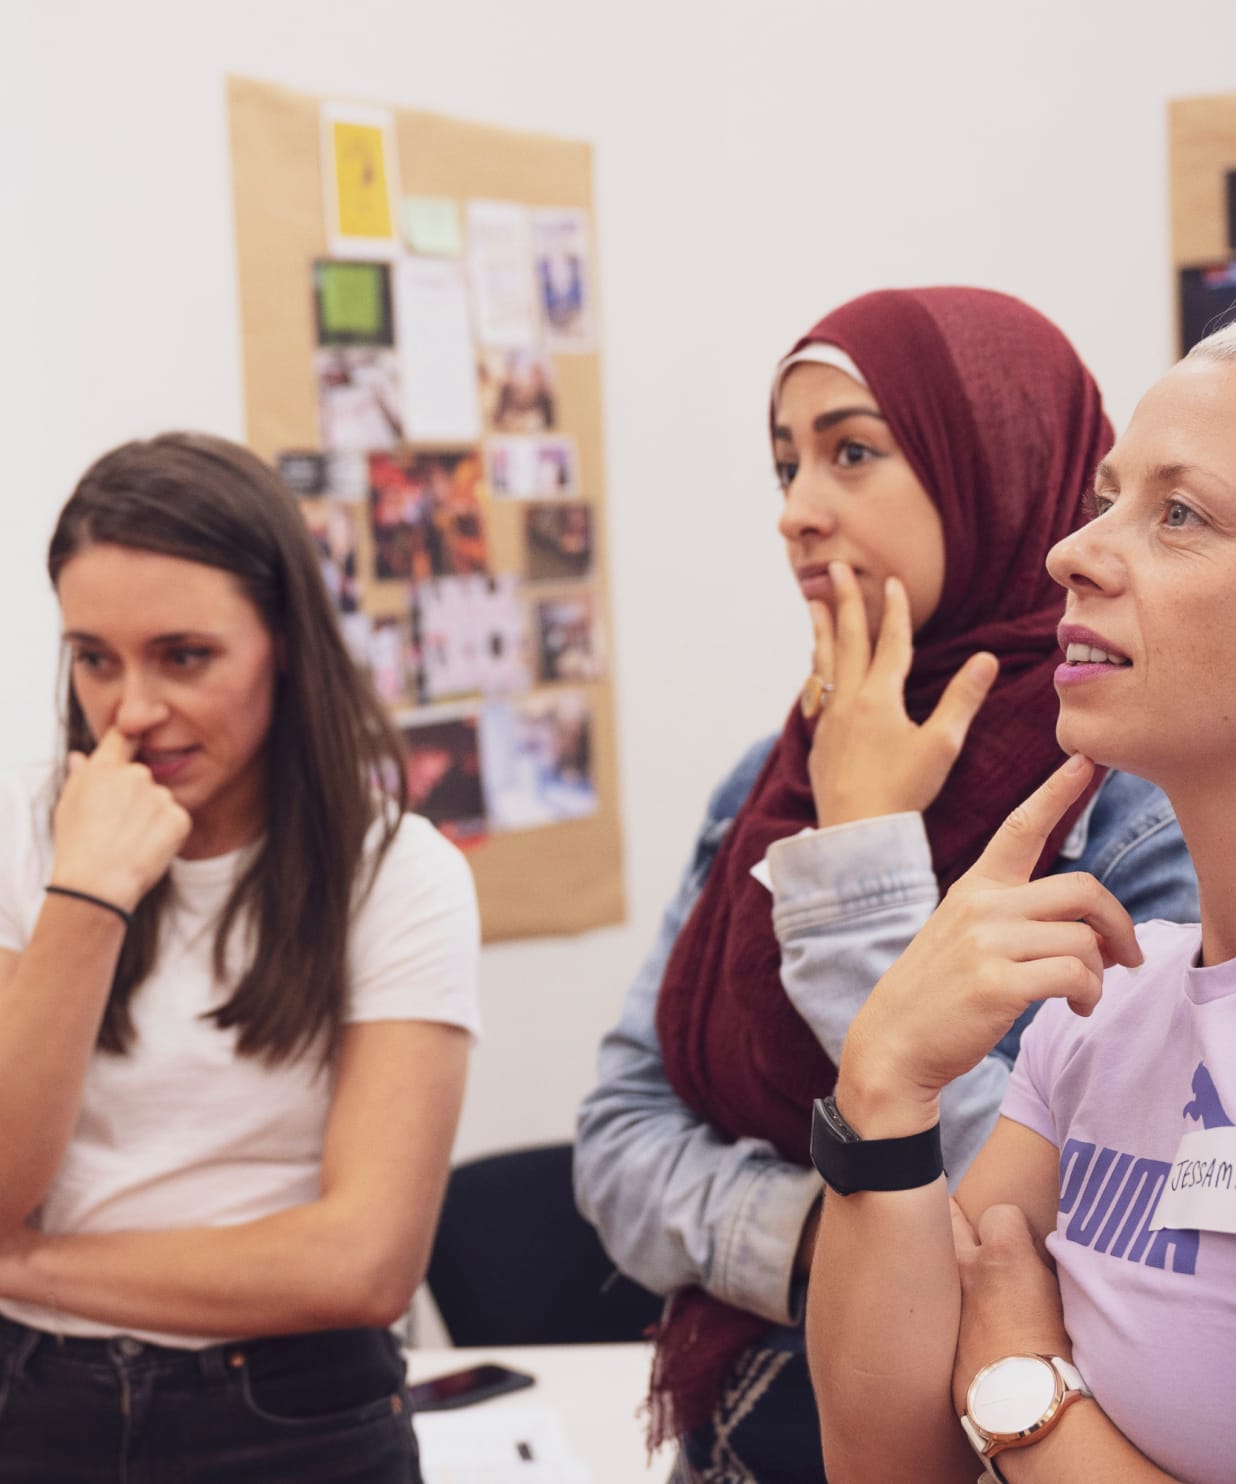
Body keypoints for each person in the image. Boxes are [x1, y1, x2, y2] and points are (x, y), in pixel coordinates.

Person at [573, 287, 1199, 1484]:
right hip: (737, 1442)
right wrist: (843, 1231)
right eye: (784, 465)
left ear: (995, 467)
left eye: (851, 452)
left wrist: (862, 865)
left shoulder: (1134, 797)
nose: (797, 512)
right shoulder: (767, 777)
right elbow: (613, 1144)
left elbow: (1090, 1251)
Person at [0, 432, 479, 1482]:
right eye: (94, 656)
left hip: (291, 1410)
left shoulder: (400, 873)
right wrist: (87, 896)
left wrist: (30, 1263)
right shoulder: (30, 833)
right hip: (33, 1396)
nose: (130, 709)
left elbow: (362, 1262)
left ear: (284, 644)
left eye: (184, 655)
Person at [808, 320, 1236, 1484]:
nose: (1073, 553)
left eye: (1180, 513)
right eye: (1106, 498)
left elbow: (974, 1383)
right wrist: (884, 1080)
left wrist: (1025, 1392)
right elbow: (890, 1461)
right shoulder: (1114, 991)